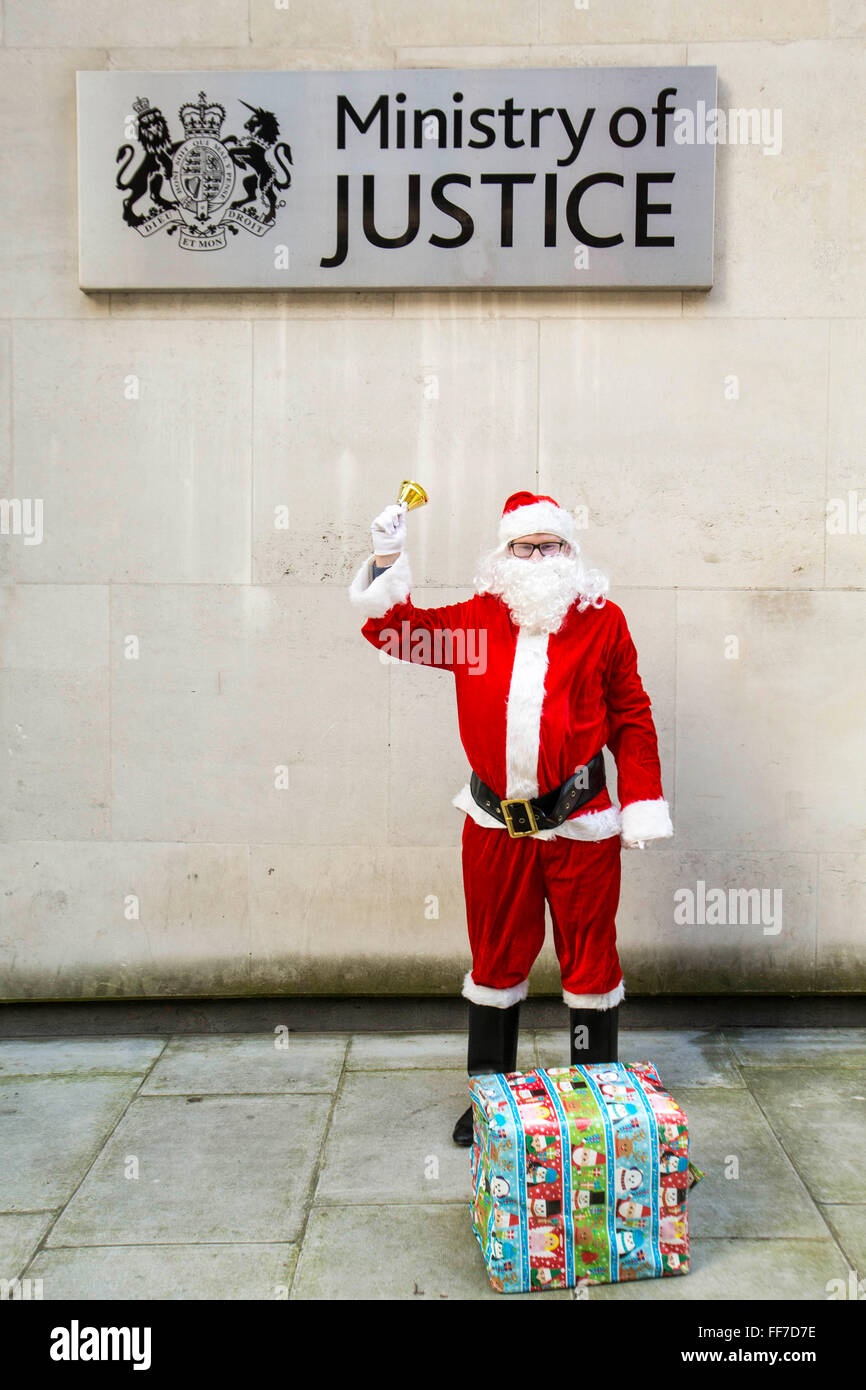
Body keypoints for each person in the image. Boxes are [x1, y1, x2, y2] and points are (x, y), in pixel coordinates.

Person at [347, 490, 673, 1146]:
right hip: (496, 827)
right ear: (506, 555)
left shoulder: (604, 623)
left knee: (591, 964)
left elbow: (632, 715)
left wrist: (640, 801)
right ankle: (490, 1101)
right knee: (494, 962)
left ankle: (596, 1098)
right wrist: (387, 557)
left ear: (570, 553)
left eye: (551, 546)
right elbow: (396, 632)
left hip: (582, 825)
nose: (539, 557)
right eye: (526, 547)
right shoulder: (476, 622)